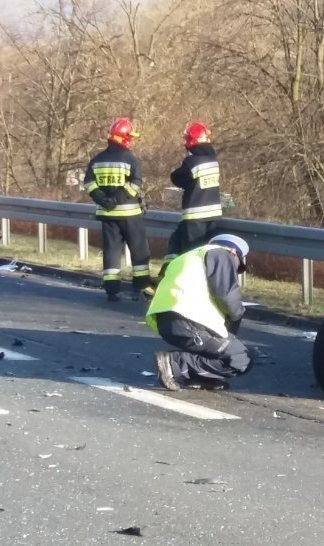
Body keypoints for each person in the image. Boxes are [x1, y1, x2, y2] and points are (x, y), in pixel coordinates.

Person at [146, 234, 253, 391]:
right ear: (233, 251)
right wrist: (237, 315)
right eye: (238, 265)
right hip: (189, 321)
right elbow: (227, 295)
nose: (235, 270)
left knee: (223, 349)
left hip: (168, 321)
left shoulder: (188, 258)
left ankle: (198, 377)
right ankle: (175, 363)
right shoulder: (221, 254)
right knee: (241, 358)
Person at [83, 118, 152, 302]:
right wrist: (117, 199)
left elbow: (89, 183)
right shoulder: (131, 159)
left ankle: (112, 290)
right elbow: (135, 183)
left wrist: (103, 200)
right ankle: (140, 287)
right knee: (139, 251)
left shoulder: (97, 160)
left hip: (107, 214)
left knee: (112, 252)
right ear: (125, 139)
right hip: (130, 214)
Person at [164, 122, 223, 263]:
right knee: (207, 251)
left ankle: (181, 279)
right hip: (213, 214)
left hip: (195, 215)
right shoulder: (213, 160)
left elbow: (177, 178)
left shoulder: (191, 162)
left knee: (191, 252)